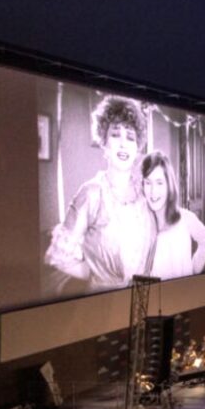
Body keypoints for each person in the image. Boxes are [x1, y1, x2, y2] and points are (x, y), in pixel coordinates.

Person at [45, 95, 154, 292]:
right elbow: (59, 257)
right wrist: (94, 272)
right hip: (102, 303)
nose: (123, 143)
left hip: (141, 298)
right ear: (103, 141)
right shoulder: (92, 193)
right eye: (115, 134)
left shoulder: (145, 193)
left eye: (130, 137)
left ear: (138, 146)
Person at [141, 151, 205, 279]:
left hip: (184, 295)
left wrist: (194, 270)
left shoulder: (186, 218)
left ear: (169, 185)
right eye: (148, 183)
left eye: (159, 183)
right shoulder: (142, 224)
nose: (153, 191)